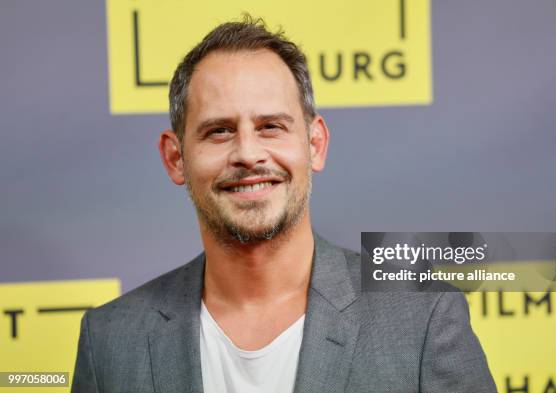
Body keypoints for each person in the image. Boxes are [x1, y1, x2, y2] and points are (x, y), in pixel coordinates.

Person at [72, 16, 497, 393]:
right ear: (175, 157)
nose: (248, 154)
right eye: (219, 131)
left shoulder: (421, 316)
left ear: (315, 144)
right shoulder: (110, 340)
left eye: (271, 126)